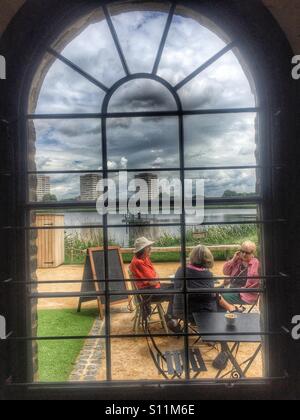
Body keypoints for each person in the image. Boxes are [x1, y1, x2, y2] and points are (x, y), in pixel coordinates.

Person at [129, 237, 181, 333]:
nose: (150, 249)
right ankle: (171, 318)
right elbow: (153, 280)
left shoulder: (144, 258)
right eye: (148, 247)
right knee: (177, 291)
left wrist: (156, 278)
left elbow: (155, 276)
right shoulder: (138, 262)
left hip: (152, 288)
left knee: (177, 286)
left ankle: (171, 317)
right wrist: (156, 278)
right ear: (143, 250)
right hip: (147, 293)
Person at [173, 245, 217, 323]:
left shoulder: (180, 270)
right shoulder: (207, 274)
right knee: (218, 299)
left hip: (180, 311)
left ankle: (173, 320)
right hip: (198, 314)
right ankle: (213, 330)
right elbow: (210, 295)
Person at [218, 241, 260, 312]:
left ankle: (231, 312)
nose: (244, 254)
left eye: (247, 252)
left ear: (252, 253)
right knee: (214, 294)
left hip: (244, 294)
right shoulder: (238, 261)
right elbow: (225, 271)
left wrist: (239, 288)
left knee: (219, 298)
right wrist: (233, 260)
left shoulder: (255, 264)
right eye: (242, 251)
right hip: (232, 289)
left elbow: (255, 283)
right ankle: (234, 310)